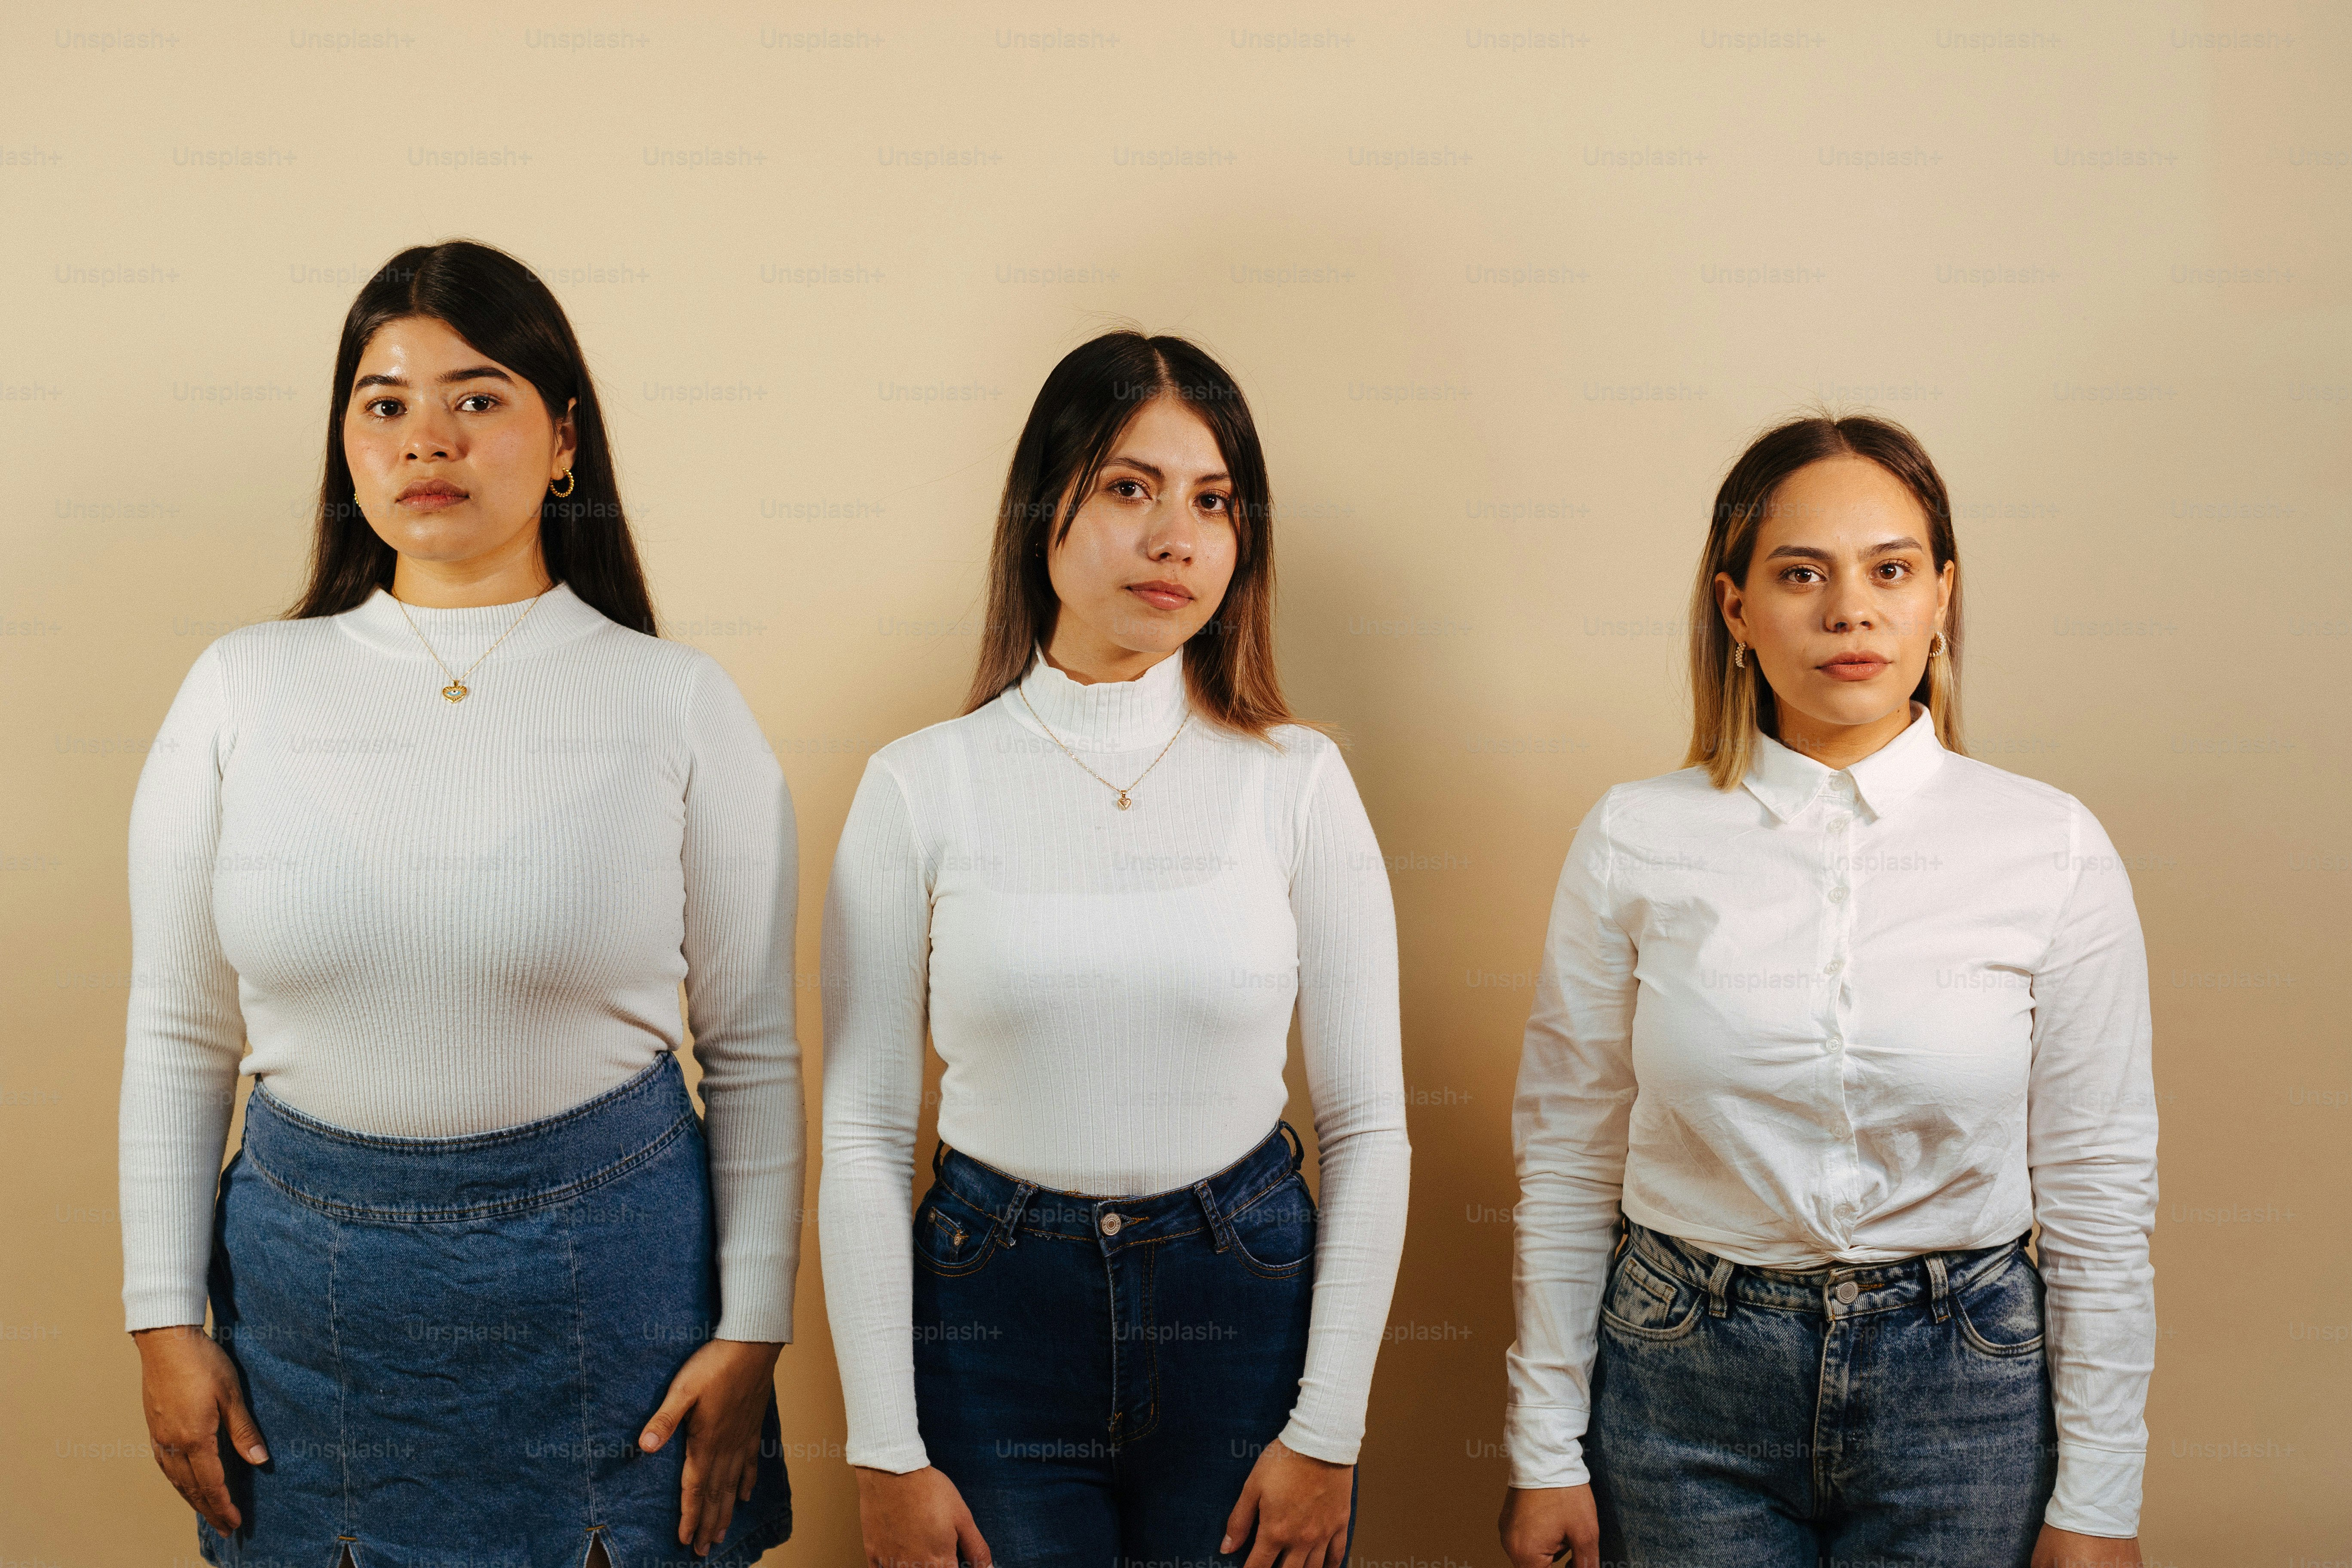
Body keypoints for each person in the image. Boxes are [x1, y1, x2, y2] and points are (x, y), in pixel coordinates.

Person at [120, 240, 800, 1568]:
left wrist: (755, 1330)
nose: (426, 437)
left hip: (619, 1300)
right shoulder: (240, 688)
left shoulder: (676, 701)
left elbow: (758, 1053)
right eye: (384, 404)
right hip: (307, 1317)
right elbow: (178, 1032)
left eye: (477, 397)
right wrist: (162, 1318)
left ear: (563, 438)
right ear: (346, 442)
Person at [1498, 413, 2157, 1568]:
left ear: (1941, 598)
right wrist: (1544, 1446)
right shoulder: (1634, 839)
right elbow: (1567, 1154)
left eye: (1891, 571)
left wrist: (2098, 1497)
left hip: (1967, 1384)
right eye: (1801, 575)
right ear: (1735, 608)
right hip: (1684, 1377)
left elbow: (2101, 1186)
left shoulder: (2049, 845)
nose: (1851, 610)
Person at [819, 331, 1410, 1567]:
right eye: (1129, 489)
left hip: (1242, 1303)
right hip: (994, 1320)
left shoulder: (1300, 783)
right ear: (1045, 510)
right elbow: (867, 1138)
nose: (1174, 539)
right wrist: (885, 1450)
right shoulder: (919, 787)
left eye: (1213, 503)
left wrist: (1331, 1432)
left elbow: (1370, 1131)